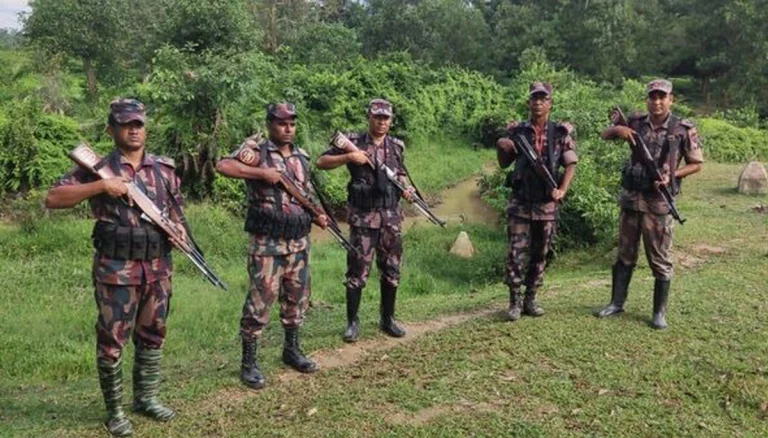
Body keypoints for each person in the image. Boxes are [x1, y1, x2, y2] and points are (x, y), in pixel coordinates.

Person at [45, 99, 181, 436]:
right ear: (112, 130)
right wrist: (102, 186)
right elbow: (53, 198)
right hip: (116, 269)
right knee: (112, 340)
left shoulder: (164, 169)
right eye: (126, 124)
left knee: (153, 334)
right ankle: (115, 411)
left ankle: (146, 399)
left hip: (158, 267)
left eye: (139, 123)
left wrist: (177, 231)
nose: (134, 129)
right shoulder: (96, 167)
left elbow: (175, 212)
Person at [216, 103, 328, 390]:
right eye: (281, 123)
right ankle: (249, 364)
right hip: (267, 243)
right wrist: (260, 174)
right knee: (260, 301)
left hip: (298, 241)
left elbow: (306, 192)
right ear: (269, 124)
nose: (288, 128)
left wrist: (318, 213)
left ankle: (292, 350)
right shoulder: (257, 153)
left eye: (292, 123)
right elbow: (223, 166)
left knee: (297, 298)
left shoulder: (302, 156)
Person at [596, 79, 702, 329]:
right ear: (647, 99)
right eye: (652, 97)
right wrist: (618, 131)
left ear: (671, 99)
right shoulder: (634, 122)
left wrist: (672, 175)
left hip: (659, 203)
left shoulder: (682, 128)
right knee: (624, 254)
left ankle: (658, 313)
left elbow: (697, 164)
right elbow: (604, 134)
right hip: (632, 199)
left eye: (662, 97)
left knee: (660, 259)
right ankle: (616, 303)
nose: (657, 102)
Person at [316, 98, 416, 343]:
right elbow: (321, 162)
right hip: (363, 218)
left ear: (391, 121)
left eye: (386, 118)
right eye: (377, 117)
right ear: (369, 117)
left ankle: (388, 319)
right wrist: (350, 158)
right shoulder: (355, 142)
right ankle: (352, 323)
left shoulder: (396, 146)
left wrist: (407, 189)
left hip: (391, 217)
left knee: (391, 268)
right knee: (357, 271)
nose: (382, 122)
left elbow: (400, 175)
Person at [496, 82, 578, 321]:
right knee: (515, 252)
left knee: (542, 252)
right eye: (535, 99)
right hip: (521, 202)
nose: (538, 103)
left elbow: (571, 162)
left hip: (546, 205)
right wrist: (503, 147)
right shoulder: (517, 131)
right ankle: (514, 300)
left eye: (543, 99)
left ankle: (531, 297)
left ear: (550, 103)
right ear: (528, 103)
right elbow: (504, 163)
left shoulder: (560, 133)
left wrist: (562, 189)